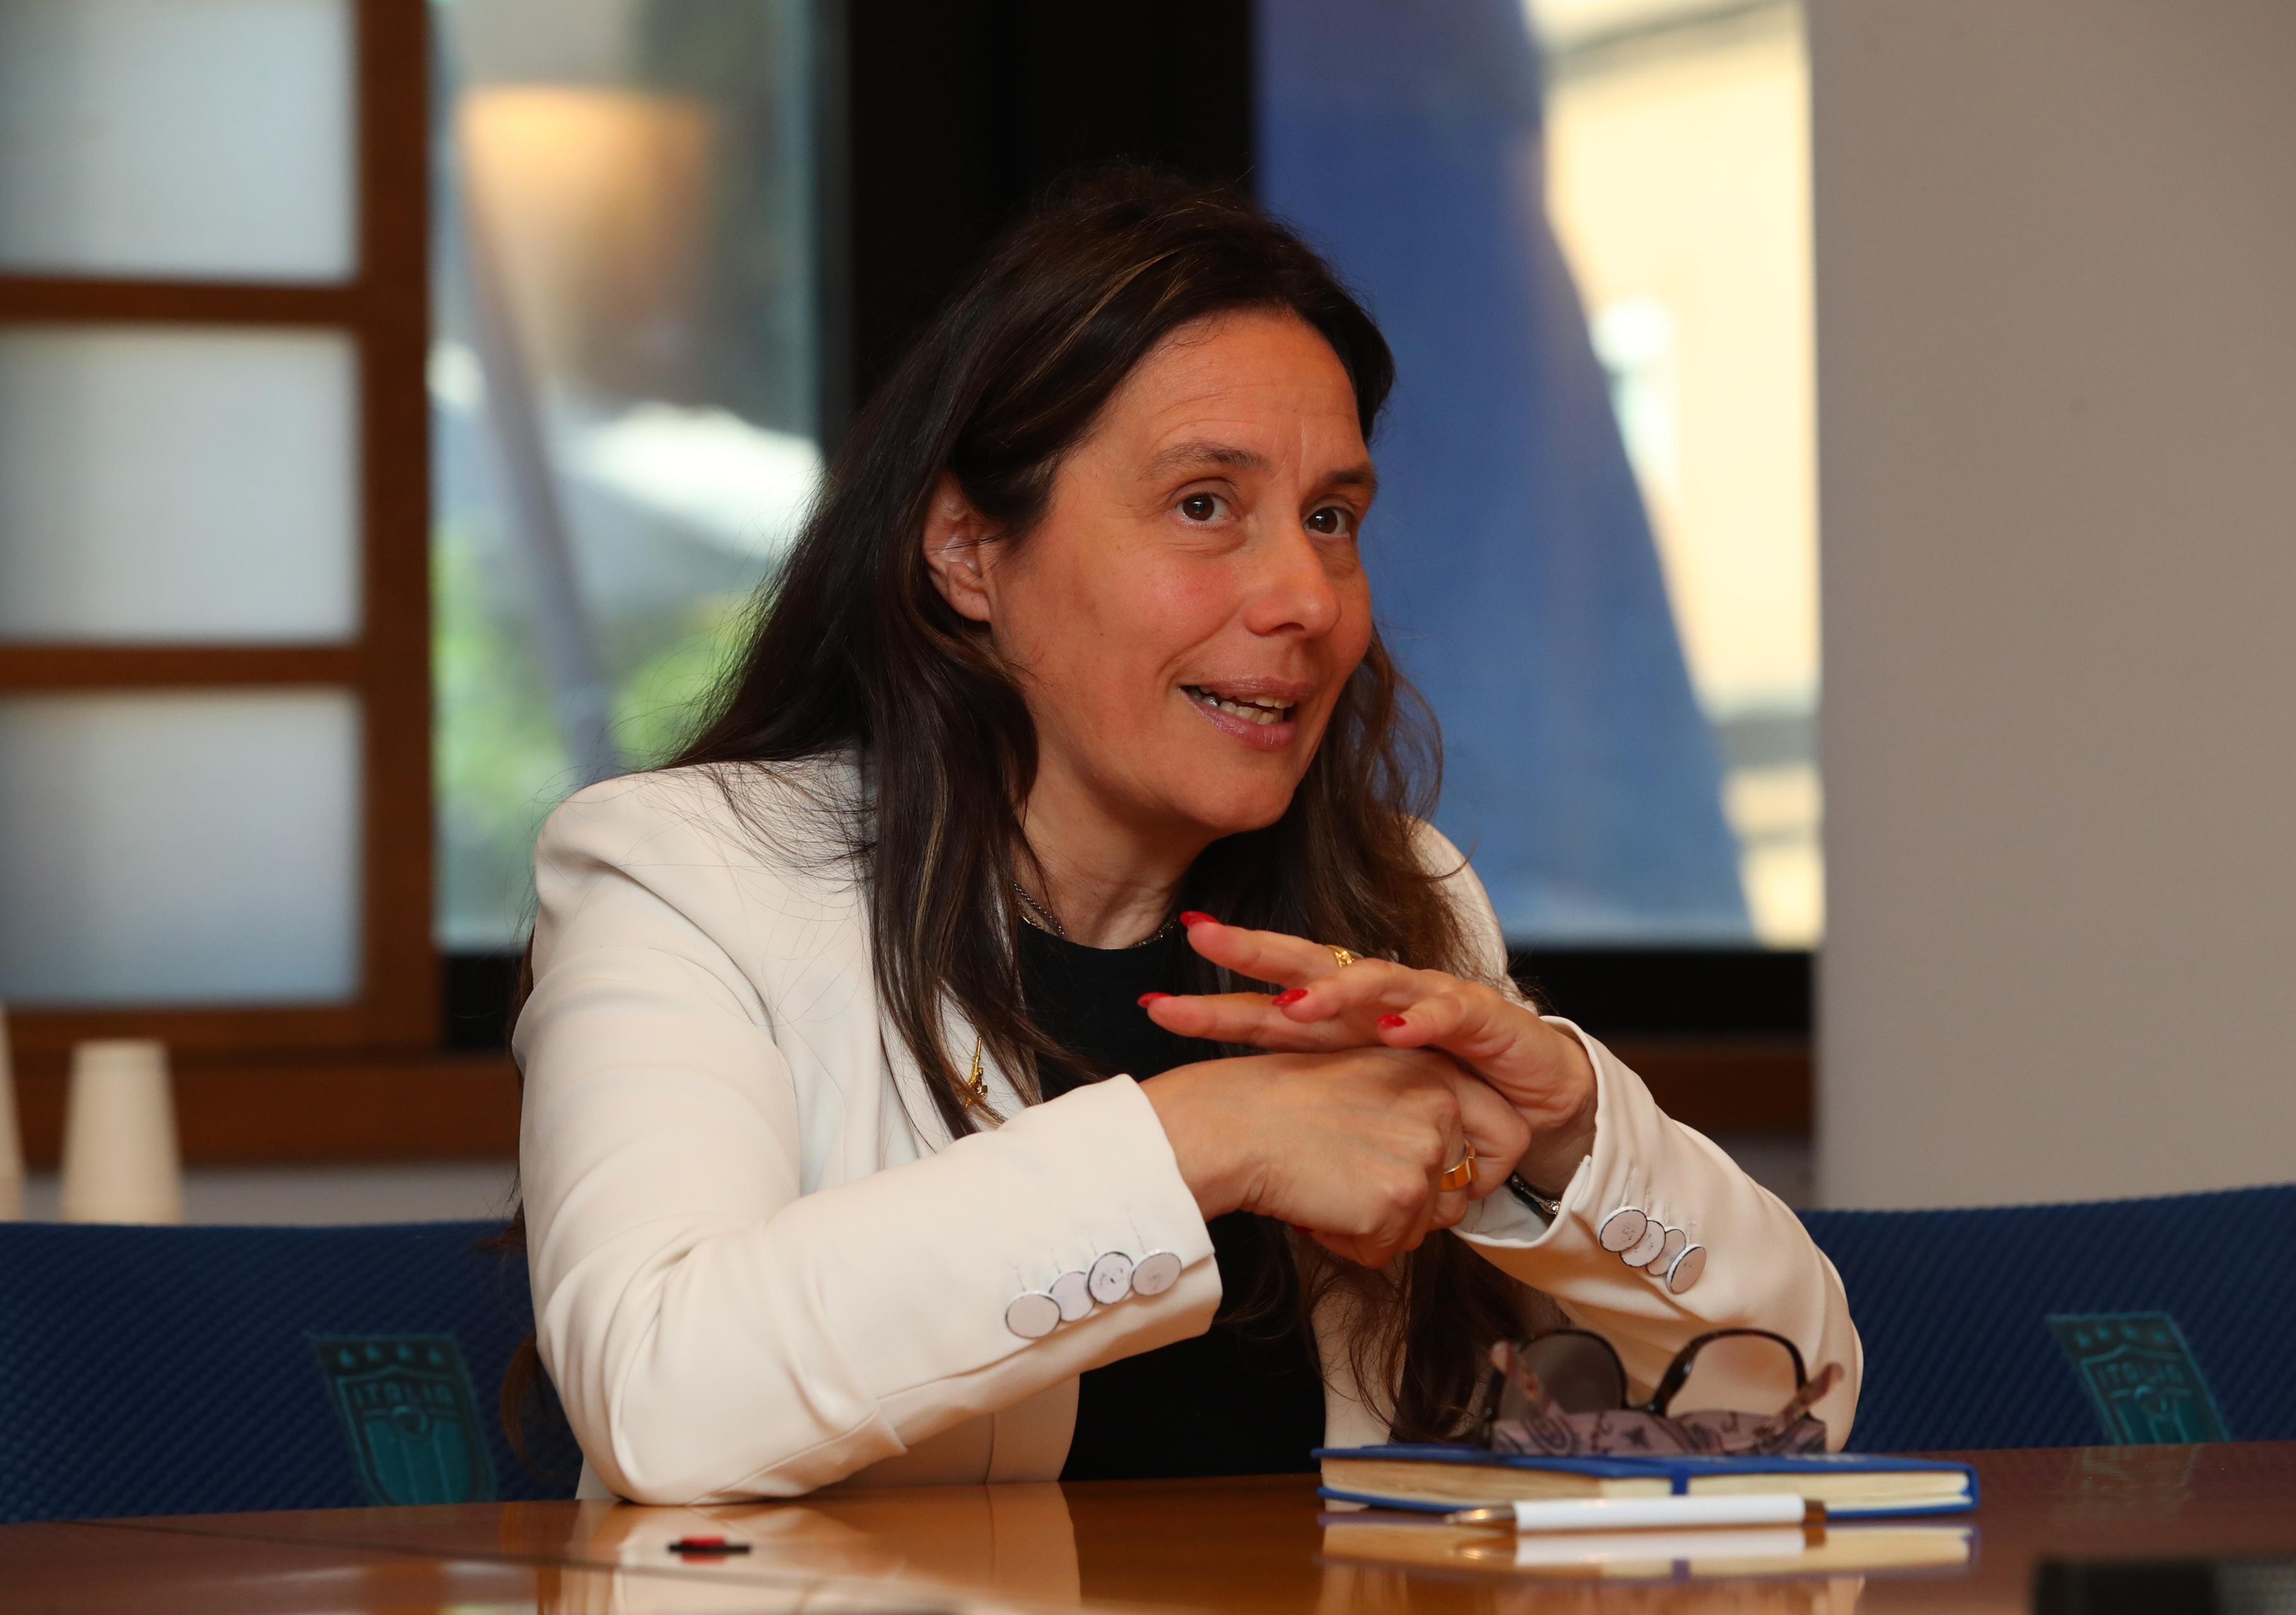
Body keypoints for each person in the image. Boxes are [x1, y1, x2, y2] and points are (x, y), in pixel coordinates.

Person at [515, 170, 1859, 1504]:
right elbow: (661, 1398)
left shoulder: (1402, 899)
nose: (1305, 598)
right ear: (970, 551)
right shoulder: (681, 875)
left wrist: (1571, 1131)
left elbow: (1799, 1393)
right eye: (1205, 505)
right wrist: (1210, 1134)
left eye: (1331, 519)